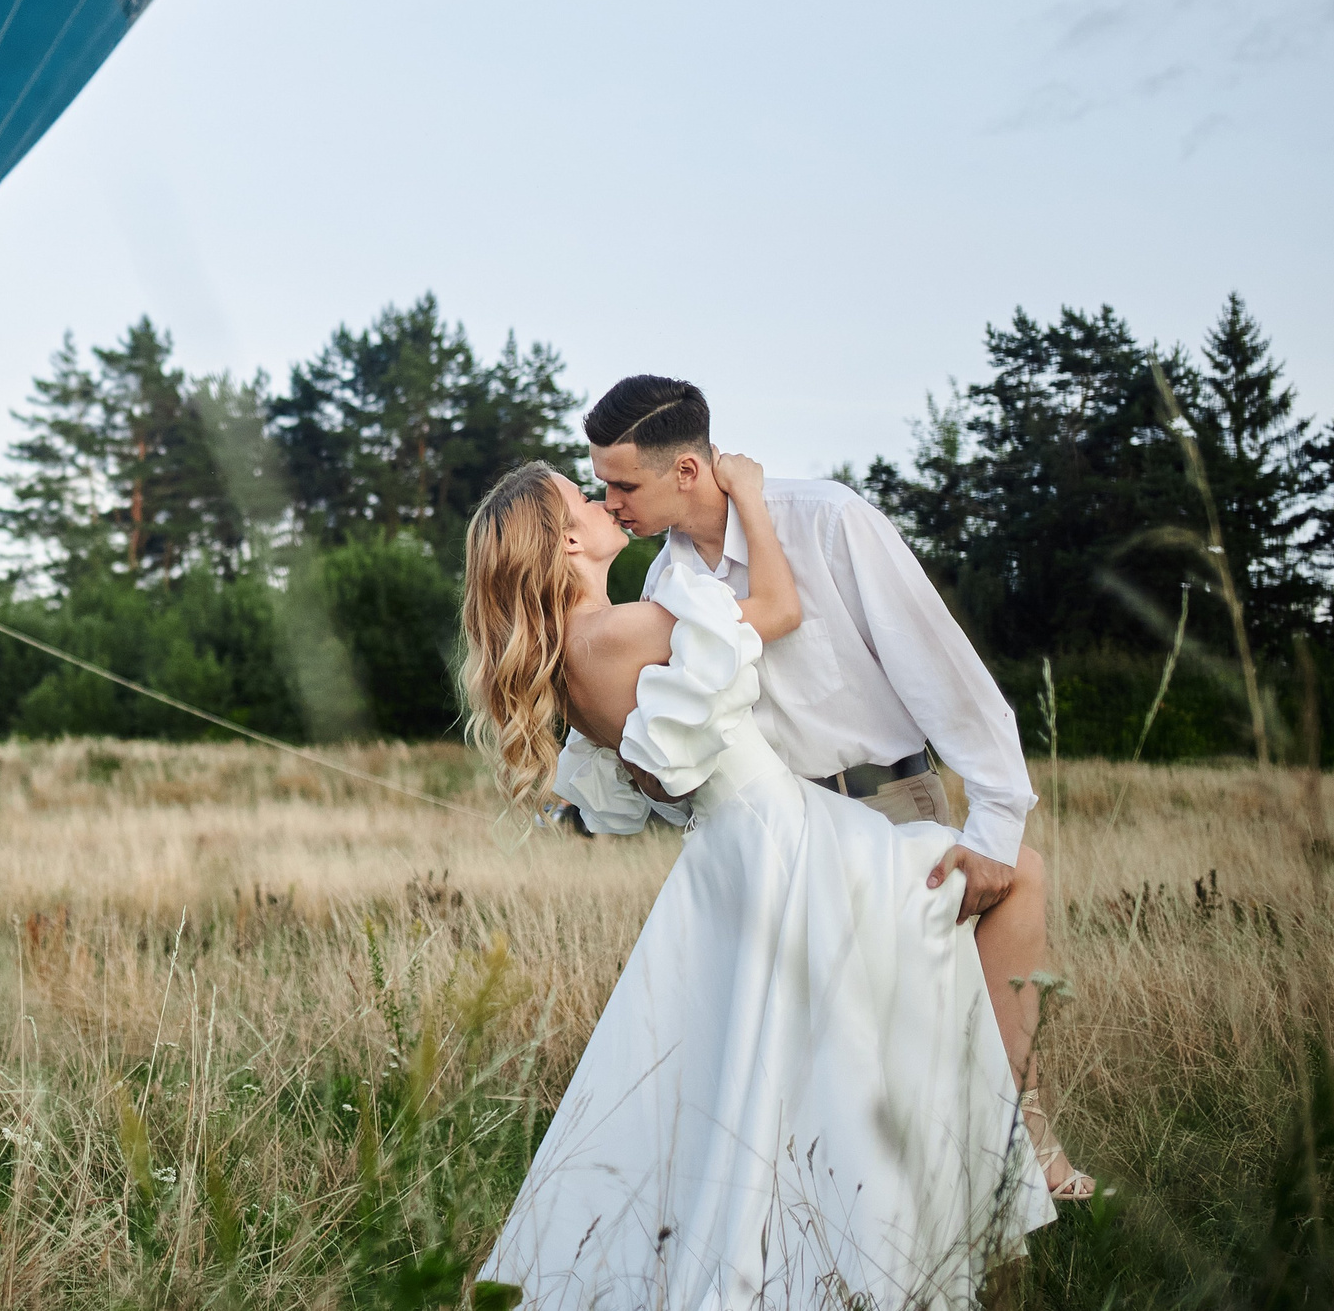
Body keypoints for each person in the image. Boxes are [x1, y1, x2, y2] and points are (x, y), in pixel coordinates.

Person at [464, 456, 1056, 1309]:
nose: (602, 504)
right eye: (583, 497)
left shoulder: (573, 660)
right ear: (564, 541)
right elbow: (779, 610)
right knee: (1008, 880)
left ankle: (845, 1237)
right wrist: (746, 496)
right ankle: (994, 1169)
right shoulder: (627, 627)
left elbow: (662, 784)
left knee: (782, 1065)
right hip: (789, 839)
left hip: (733, 852)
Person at [585, 375, 1089, 1199]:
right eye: (601, 483)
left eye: (622, 484)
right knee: (845, 1065)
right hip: (788, 843)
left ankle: (1020, 1160)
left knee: (941, 1028)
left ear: (685, 470)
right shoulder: (660, 591)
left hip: (893, 808)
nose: (609, 504)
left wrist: (996, 824)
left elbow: (942, 672)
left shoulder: (828, 521)